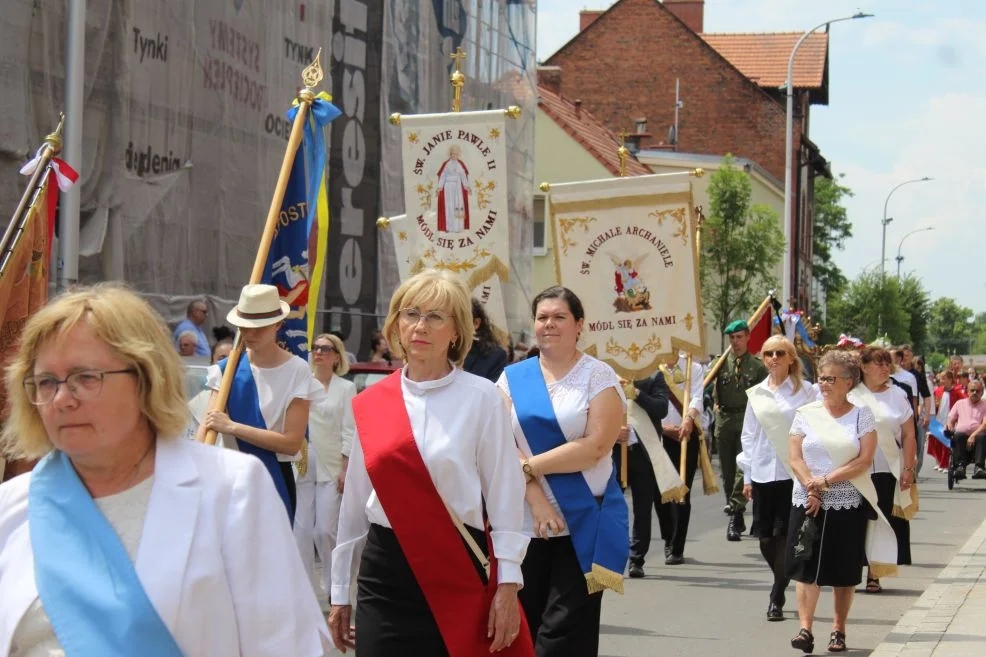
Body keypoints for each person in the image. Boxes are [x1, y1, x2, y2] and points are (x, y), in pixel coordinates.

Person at [0, 284, 330, 656]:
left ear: (145, 379)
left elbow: (284, 646)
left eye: (86, 377)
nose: (61, 399)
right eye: (46, 382)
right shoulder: (13, 507)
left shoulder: (232, 491)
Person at [329, 269, 532, 657]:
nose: (420, 326)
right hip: (384, 572)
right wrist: (340, 592)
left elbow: (506, 501)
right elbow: (354, 506)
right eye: (410, 314)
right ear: (396, 325)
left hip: (455, 565)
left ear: (456, 331)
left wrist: (507, 585)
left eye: (435, 316)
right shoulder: (371, 402)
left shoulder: (483, 399)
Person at [497, 286, 628, 657]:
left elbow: (596, 446)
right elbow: (499, 442)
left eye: (559, 317)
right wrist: (537, 500)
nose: (549, 324)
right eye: (542, 317)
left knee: (564, 635)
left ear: (579, 325)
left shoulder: (598, 376)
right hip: (525, 522)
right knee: (526, 626)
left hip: (584, 521)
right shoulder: (511, 378)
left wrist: (529, 467)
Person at [196, 284, 325, 522]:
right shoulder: (225, 371)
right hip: (228, 480)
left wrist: (232, 427)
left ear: (277, 325)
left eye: (258, 328)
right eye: (244, 327)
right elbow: (205, 431)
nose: (250, 334)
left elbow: (291, 443)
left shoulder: (297, 371)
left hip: (273, 480)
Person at [785, 350, 884, 654]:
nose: (824, 383)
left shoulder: (861, 415)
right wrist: (811, 487)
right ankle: (805, 628)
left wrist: (826, 482)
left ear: (849, 382)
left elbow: (864, 460)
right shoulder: (806, 413)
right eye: (822, 377)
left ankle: (838, 630)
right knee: (805, 565)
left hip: (846, 501)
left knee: (843, 569)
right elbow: (795, 457)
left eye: (830, 378)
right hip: (807, 499)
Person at [739, 336, 818, 621]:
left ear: (791, 358)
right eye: (768, 353)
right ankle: (782, 579)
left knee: (786, 534)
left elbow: (818, 427)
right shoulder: (756, 394)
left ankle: (777, 594)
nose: (774, 357)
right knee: (765, 538)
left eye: (780, 353)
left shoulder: (807, 391)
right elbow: (748, 435)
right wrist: (747, 475)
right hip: (762, 471)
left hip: (792, 473)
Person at [850, 346, 917, 595]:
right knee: (857, 520)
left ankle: (875, 573)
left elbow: (909, 434)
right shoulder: (852, 395)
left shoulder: (897, 395)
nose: (884, 367)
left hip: (888, 468)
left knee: (882, 521)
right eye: (878, 363)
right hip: (857, 468)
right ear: (864, 367)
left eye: (886, 363)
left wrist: (908, 468)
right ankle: (853, 567)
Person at [294, 333, 357, 597]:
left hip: (332, 465)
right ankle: (303, 591)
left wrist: (345, 467)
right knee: (301, 530)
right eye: (315, 348)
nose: (318, 352)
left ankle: (334, 587)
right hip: (301, 462)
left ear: (336, 356)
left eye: (325, 348)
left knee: (325, 531)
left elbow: (349, 430)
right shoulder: (300, 383)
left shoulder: (345, 388)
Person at [714, 319, 768, 540]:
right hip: (724, 420)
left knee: (742, 468)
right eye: (732, 338)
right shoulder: (719, 364)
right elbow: (704, 386)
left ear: (747, 337)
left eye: (739, 337)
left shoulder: (757, 367)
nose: (735, 342)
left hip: (747, 420)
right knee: (727, 472)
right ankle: (735, 509)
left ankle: (735, 513)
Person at [654, 349, 705, 565]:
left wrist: (689, 419)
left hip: (686, 435)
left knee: (683, 491)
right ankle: (667, 537)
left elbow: (697, 397)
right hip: (659, 434)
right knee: (662, 492)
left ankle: (677, 546)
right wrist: (664, 428)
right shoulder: (653, 367)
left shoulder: (692, 366)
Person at [617, 372, 670, 577]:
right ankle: (612, 555)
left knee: (642, 508)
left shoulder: (654, 375)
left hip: (642, 451)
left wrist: (637, 393)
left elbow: (661, 408)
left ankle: (636, 559)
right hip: (614, 451)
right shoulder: (608, 372)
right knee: (611, 506)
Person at [185, 339, 234, 440]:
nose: (227, 363)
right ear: (212, 364)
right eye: (222, 358)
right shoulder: (197, 402)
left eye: (232, 358)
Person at [947, 379, 986, 479]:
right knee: (958, 435)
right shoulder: (959, 403)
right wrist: (949, 424)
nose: (974, 393)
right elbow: (951, 419)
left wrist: (973, 435)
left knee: (982, 436)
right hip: (961, 436)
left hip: (979, 435)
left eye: (977, 391)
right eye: (972, 390)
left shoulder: (984, 405)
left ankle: (979, 467)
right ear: (967, 391)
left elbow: (985, 424)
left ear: (982, 392)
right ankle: (960, 466)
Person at [464, 297, 509, 382]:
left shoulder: (495, 356)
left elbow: (493, 392)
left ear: (476, 323)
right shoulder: (439, 350)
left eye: (461, 319)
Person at [929, 371, 964, 471]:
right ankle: (940, 462)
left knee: (946, 443)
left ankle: (945, 464)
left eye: (944, 378)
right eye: (941, 378)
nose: (941, 381)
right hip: (938, 419)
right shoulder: (937, 391)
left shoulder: (957, 392)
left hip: (949, 421)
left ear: (950, 380)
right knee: (937, 443)